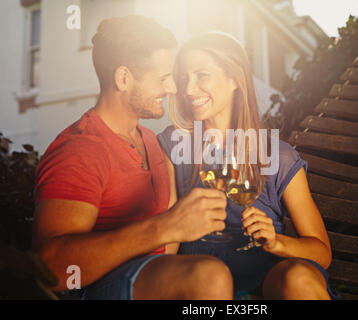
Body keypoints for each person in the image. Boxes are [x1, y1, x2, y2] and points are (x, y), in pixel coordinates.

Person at [32, 16, 234, 300]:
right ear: (123, 78)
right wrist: (166, 226)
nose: (173, 89)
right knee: (209, 277)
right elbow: (51, 267)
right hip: (93, 290)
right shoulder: (80, 149)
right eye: (163, 78)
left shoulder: (152, 142)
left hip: (153, 279)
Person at [158, 32, 337, 300]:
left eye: (201, 75)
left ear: (234, 78)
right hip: (201, 279)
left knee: (298, 279)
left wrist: (276, 242)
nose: (187, 89)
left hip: (269, 278)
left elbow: (321, 253)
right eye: (183, 78)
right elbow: (168, 240)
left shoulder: (278, 156)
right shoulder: (173, 147)